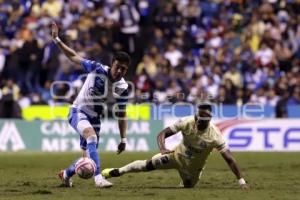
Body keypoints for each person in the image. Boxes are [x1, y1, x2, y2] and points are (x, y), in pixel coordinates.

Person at [51, 22, 130, 188]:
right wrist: (57, 39)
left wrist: (123, 138)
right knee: (91, 137)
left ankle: (65, 175)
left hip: (95, 119)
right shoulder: (97, 69)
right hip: (78, 111)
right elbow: (74, 57)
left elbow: (121, 114)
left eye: (123, 69)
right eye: (118, 67)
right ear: (112, 63)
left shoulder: (122, 87)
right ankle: (99, 179)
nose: (120, 71)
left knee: (87, 160)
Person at [102, 103, 249, 189]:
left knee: (188, 186)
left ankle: (184, 181)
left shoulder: (215, 136)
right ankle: (117, 171)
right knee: (147, 165)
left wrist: (241, 181)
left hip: (193, 169)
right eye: (197, 117)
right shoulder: (187, 121)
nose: (198, 121)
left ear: (209, 120)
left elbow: (229, 159)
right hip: (175, 157)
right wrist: (162, 148)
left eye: (202, 120)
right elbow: (162, 134)